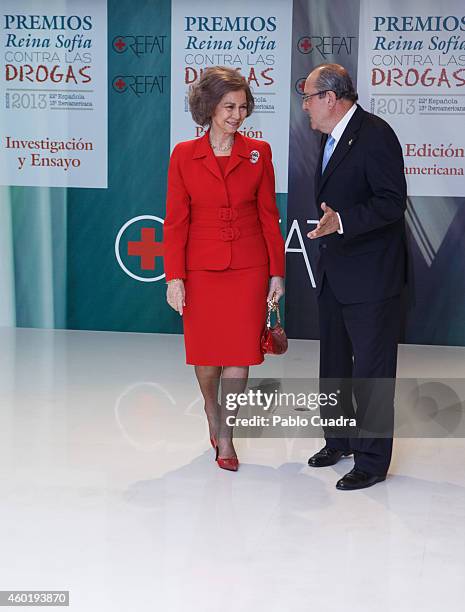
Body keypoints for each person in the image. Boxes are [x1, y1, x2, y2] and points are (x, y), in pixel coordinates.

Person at [164, 67, 285, 472]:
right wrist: (174, 277)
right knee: (206, 356)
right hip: (200, 268)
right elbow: (176, 220)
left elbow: (270, 216)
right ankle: (211, 409)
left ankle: (227, 435)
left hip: (249, 267)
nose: (237, 115)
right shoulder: (183, 154)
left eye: (243, 107)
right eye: (229, 106)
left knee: (239, 354)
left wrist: (277, 273)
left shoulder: (259, 152)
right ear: (209, 107)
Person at [303, 63, 407, 490]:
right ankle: (339, 440)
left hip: (371, 277)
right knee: (334, 365)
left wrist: (343, 221)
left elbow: (391, 201)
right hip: (336, 272)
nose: (305, 106)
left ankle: (371, 460)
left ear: (331, 97)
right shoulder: (329, 137)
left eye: (308, 97)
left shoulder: (375, 133)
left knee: (372, 371)